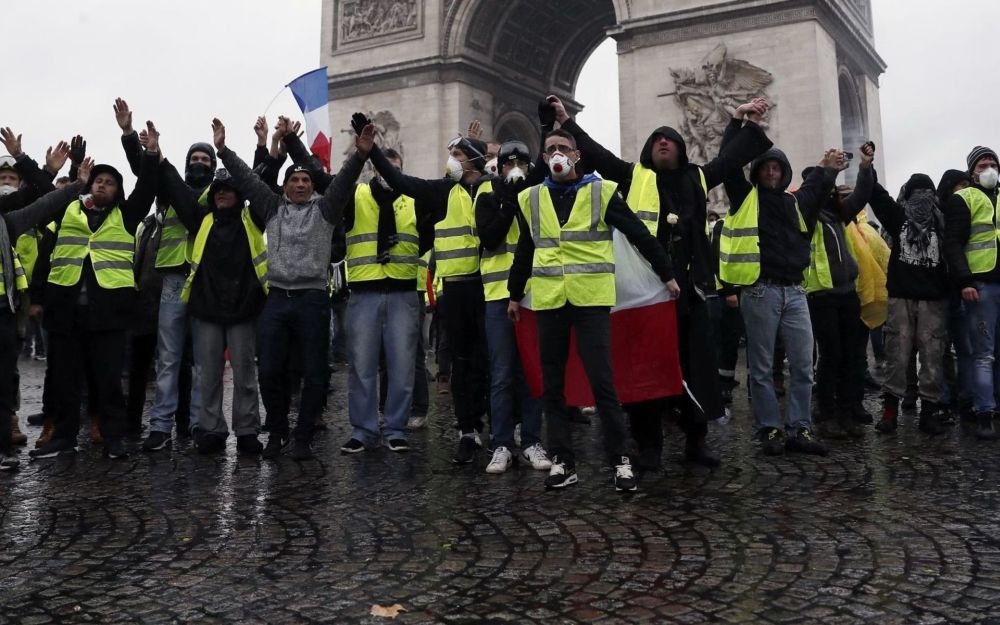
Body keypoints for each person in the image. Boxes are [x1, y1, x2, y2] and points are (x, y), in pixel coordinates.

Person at [550, 95, 773, 470]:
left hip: (692, 291)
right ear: (647, 151)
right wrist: (565, 122)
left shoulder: (698, 177)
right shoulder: (632, 175)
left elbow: (732, 159)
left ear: (683, 149)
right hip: (645, 292)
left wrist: (738, 122)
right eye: (656, 140)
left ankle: (695, 443)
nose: (663, 142)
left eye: (669, 139)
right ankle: (648, 445)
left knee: (695, 370)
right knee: (646, 369)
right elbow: (596, 154)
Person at [506, 128, 679, 491]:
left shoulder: (603, 192)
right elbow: (526, 248)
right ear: (543, 158)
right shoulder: (530, 198)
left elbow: (638, 234)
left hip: (592, 300)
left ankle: (620, 460)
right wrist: (514, 293)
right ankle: (563, 461)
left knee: (603, 382)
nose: (557, 153)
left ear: (576, 155)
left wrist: (667, 274)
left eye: (563, 148)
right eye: (550, 149)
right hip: (551, 299)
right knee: (552, 386)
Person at [363, 115, 494, 464]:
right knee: (463, 365)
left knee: (494, 362)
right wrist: (372, 150)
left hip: (493, 290)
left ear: (476, 159)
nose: (450, 158)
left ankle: (501, 432)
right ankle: (468, 430)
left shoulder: (497, 188)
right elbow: (398, 179)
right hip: (457, 291)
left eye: (458, 153)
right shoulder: (440, 191)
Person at [28, 122, 162, 460]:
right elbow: (42, 195)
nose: (103, 185)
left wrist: (147, 150)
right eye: (98, 180)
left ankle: (114, 438)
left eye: (110, 182)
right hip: (66, 310)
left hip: (110, 314)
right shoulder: (67, 208)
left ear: (118, 190)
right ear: (88, 184)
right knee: (64, 380)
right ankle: (64, 437)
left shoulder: (129, 215)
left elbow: (148, 186)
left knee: (108, 381)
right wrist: (62, 173)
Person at [213, 117, 340, 460]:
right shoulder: (270, 206)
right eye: (294, 180)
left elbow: (342, 183)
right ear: (284, 187)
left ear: (313, 186)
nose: (300, 185)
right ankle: (278, 431)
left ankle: (303, 435)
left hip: (313, 299)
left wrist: (360, 156)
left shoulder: (326, 209)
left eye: (305, 180)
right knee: (269, 369)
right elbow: (247, 179)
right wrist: (223, 150)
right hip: (278, 300)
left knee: (314, 372)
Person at [719, 147, 845, 456]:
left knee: (803, 365)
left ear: (784, 172)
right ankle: (769, 429)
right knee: (761, 368)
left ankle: (799, 428)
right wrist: (739, 124)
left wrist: (826, 169)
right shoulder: (745, 199)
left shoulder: (794, 202)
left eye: (777, 168)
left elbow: (814, 190)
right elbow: (729, 160)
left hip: (796, 291)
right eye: (766, 168)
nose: (771, 173)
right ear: (757, 172)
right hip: (761, 290)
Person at [326, 121, 426, 453]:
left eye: (394, 169)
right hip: (364, 295)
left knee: (401, 367)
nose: (387, 174)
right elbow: (324, 180)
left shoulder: (416, 200)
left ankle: (396, 427)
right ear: (373, 168)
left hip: (402, 295)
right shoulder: (356, 196)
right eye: (383, 167)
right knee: (362, 367)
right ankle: (363, 430)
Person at [159, 167, 268, 454]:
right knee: (208, 374)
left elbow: (261, 183)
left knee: (245, 374)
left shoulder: (253, 218)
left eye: (228, 189)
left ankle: (247, 431)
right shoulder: (201, 220)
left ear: (239, 193)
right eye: (218, 189)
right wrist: (159, 157)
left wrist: (268, 149)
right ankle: (210, 430)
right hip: (207, 307)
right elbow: (178, 192)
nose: (222, 194)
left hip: (243, 306)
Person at [115, 99, 203, 444]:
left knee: (199, 364)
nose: (198, 164)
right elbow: (147, 177)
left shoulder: (213, 194)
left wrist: (161, 159)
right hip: (169, 285)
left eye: (204, 160)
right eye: (193, 159)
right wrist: (131, 138)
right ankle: (161, 426)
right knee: (167, 361)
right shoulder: (170, 191)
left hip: (202, 283)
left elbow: (175, 190)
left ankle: (195, 425)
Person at [0, 159, 91, 470]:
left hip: (3, 309)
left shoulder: (7, 223)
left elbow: (41, 205)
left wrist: (76, 186)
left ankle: (2, 446)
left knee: (2, 379)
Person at [475, 140, 551, 474]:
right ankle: (501, 443)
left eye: (521, 163)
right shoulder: (487, 195)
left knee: (531, 372)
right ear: (499, 166)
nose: (515, 169)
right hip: (496, 295)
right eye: (509, 163)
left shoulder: (538, 196)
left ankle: (532, 440)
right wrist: (509, 202)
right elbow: (490, 238)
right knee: (502, 374)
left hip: (534, 294)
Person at [801, 144, 874, 440]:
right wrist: (827, 170)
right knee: (831, 355)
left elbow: (860, 197)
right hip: (821, 294)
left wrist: (866, 168)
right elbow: (815, 194)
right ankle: (827, 413)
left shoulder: (836, 215)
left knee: (850, 354)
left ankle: (847, 409)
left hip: (846, 292)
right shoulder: (804, 215)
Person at [869, 173, 950, 434]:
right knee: (897, 355)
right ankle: (890, 411)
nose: (922, 198)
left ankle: (929, 412)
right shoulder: (898, 219)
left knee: (932, 357)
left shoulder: (943, 222)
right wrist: (868, 169)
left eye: (928, 192)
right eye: (918, 192)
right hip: (901, 297)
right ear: (908, 196)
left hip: (933, 300)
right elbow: (877, 196)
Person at [944, 146, 1000, 440]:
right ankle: (984, 412)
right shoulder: (963, 198)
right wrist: (964, 281)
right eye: (982, 165)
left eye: (993, 163)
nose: (989, 168)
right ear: (972, 171)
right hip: (980, 286)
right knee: (983, 354)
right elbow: (952, 243)